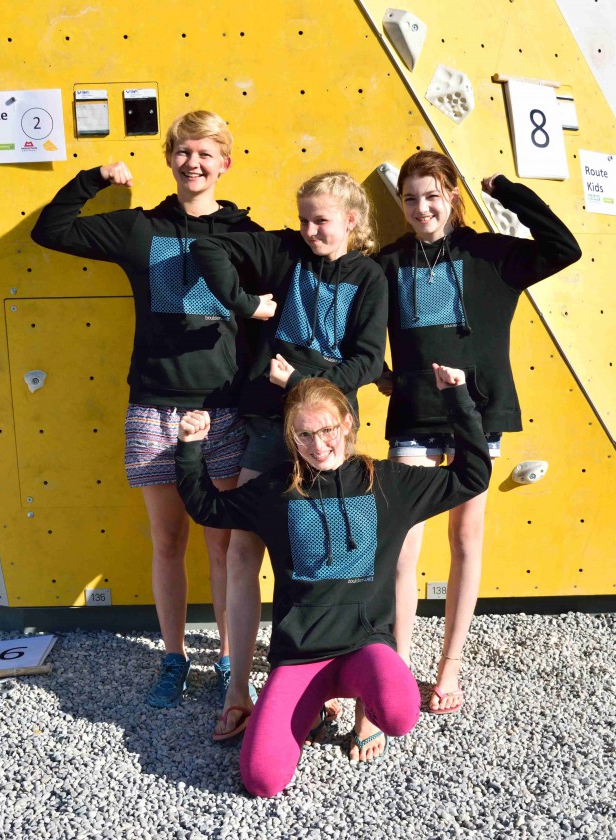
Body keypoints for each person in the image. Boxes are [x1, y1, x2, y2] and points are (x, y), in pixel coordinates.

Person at [29, 111, 262, 710]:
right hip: (153, 408)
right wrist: (94, 179)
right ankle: (173, 657)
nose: (195, 163)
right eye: (184, 151)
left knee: (223, 544)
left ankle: (231, 661)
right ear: (169, 158)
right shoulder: (139, 229)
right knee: (167, 541)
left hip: (223, 410)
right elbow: (51, 231)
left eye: (207, 153)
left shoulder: (247, 235)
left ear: (226, 163)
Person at [175, 368, 490, 797]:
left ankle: (361, 711)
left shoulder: (389, 484)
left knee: (400, 714)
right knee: (262, 780)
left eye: (326, 431)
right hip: (301, 656)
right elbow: (207, 508)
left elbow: (472, 476)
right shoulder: (277, 490)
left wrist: (457, 399)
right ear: (291, 437)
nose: (318, 446)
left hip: (365, 647)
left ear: (347, 424)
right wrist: (189, 447)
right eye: (304, 436)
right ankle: (313, 709)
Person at [370, 150, 581, 731]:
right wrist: (383, 377)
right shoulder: (387, 262)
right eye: (410, 198)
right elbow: (358, 329)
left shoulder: (493, 255)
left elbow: (565, 247)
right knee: (402, 551)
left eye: (432, 195)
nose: (421, 208)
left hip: (477, 417)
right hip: (413, 419)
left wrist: (508, 191)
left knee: (466, 539)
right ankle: (395, 663)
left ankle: (450, 666)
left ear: (453, 196)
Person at [189, 171, 387, 748]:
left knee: (333, 557)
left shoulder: (370, 277)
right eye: (302, 217)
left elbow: (367, 363)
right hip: (265, 424)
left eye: (319, 220)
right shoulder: (286, 250)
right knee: (244, 549)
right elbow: (208, 245)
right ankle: (238, 692)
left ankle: (351, 699)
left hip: (328, 431)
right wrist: (247, 303)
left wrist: (301, 377)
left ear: (351, 220)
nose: (307, 229)